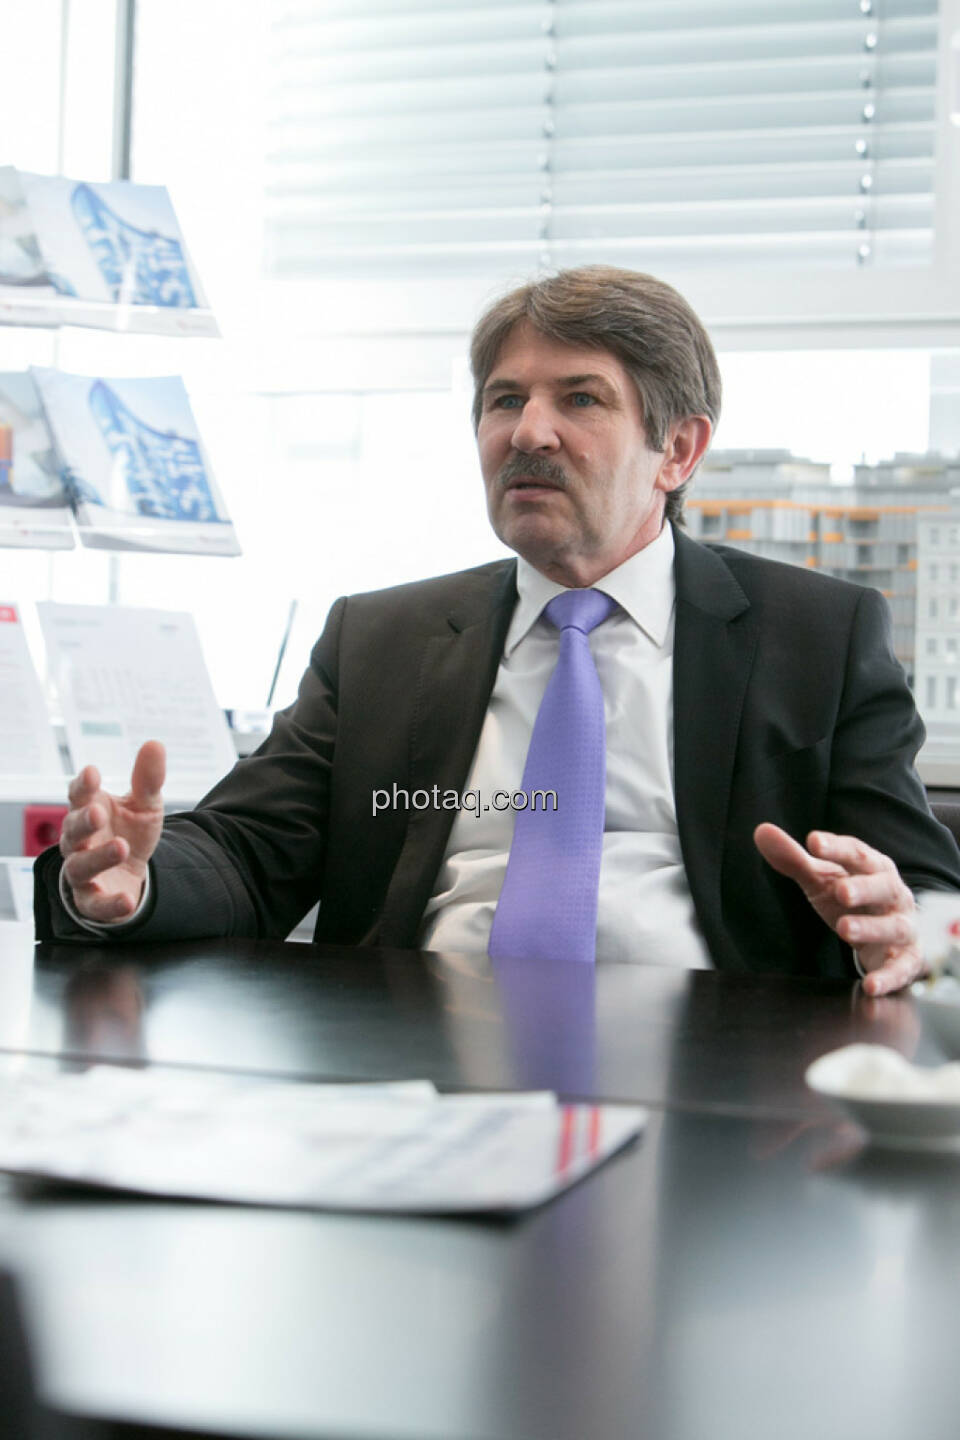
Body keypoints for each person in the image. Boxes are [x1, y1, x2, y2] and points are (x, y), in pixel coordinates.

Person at [35, 266, 960, 995]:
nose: (528, 433)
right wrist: (129, 880)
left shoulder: (818, 637)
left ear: (677, 450)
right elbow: (247, 850)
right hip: (418, 1052)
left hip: (712, 1061)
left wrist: (904, 926)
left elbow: (925, 894)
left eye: (581, 399)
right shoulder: (381, 639)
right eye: (505, 400)